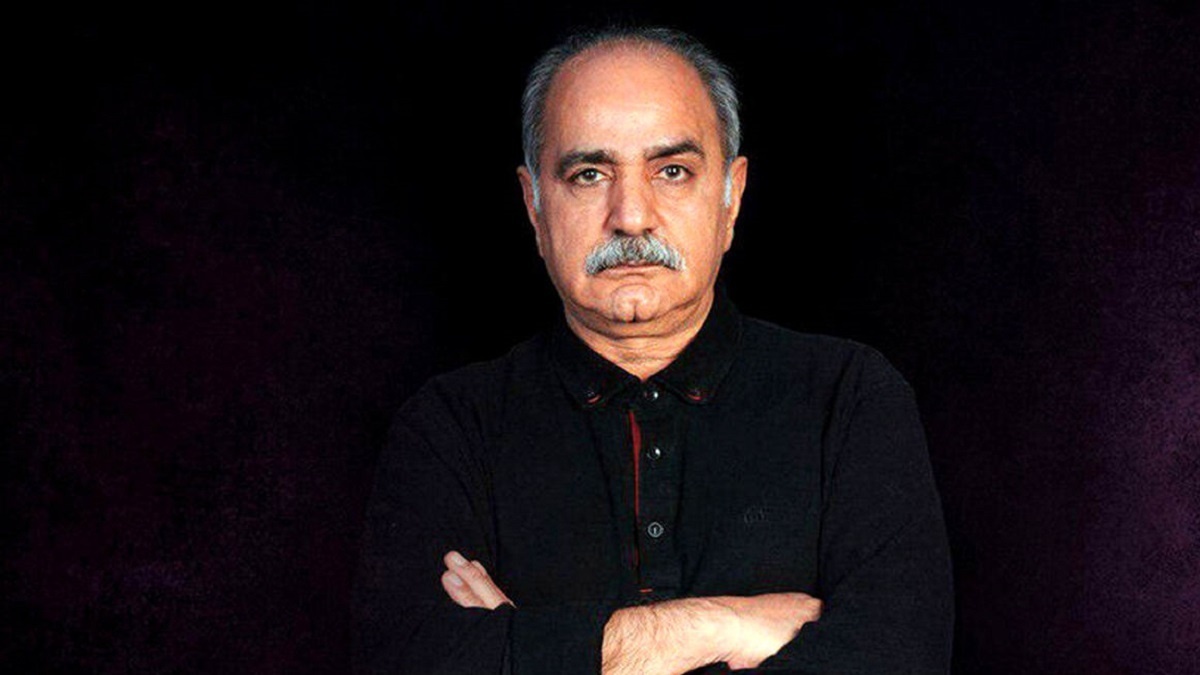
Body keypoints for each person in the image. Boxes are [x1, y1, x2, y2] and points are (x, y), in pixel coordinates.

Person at [354, 26, 953, 674]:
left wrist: (530, 649)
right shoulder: (450, 426)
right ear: (534, 206)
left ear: (731, 197)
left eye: (672, 171)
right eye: (589, 174)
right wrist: (715, 628)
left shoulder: (849, 398)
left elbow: (900, 658)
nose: (631, 216)